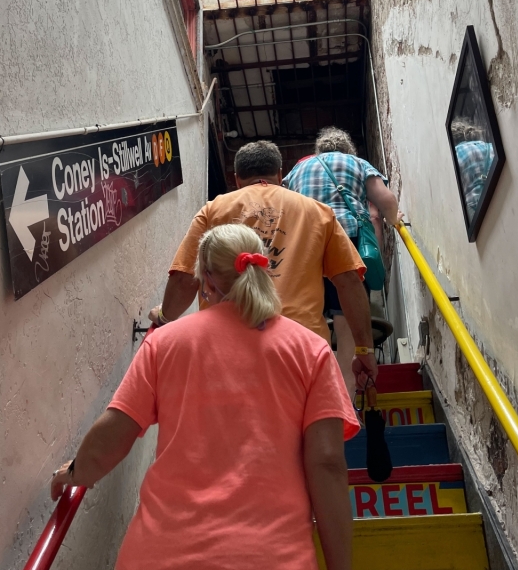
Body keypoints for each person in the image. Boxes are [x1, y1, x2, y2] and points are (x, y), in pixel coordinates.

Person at [51, 225, 361, 570]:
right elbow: (327, 465)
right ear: (264, 271)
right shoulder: (309, 350)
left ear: (206, 281)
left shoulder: (164, 343)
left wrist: (73, 471)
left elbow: (111, 439)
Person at [149, 140, 378, 389]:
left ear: (237, 179)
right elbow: (348, 282)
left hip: (227, 347)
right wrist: (365, 349)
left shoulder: (213, 210)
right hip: (301, 345)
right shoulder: (318, 212)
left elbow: (185, 279)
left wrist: (164, 318)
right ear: (280, 174)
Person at [282, 128, 402, 395]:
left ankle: (309, 395)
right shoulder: (358, 164)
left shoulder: (295, 173)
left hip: (305, 246)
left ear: (319, 150)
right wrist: (396, 220)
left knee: (308, 320)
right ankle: (347, 400)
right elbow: (385, 200)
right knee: (348, 323)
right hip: (346, 242)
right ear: (348, 149)